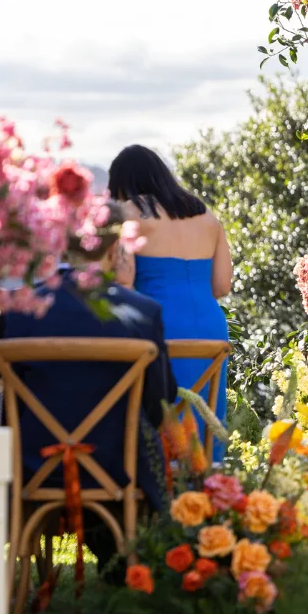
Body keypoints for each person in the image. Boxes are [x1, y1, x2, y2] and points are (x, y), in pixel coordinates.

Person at [0, 205, 178, 573]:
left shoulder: (20, 310)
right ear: (114, 249)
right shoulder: (144, 311)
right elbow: (161, 403)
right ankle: (127, 562)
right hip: (117, 464)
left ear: (59, 245)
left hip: (32, 463)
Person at [108, 145, 231, 451]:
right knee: (205, 413)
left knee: (155, 415)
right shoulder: (205, 213)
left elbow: (123, 278)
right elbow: (222, 285)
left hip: (158, 326)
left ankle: (156, 489)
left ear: (123, 183)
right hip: (209, 325)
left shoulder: (131, 212)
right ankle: (205, 488)